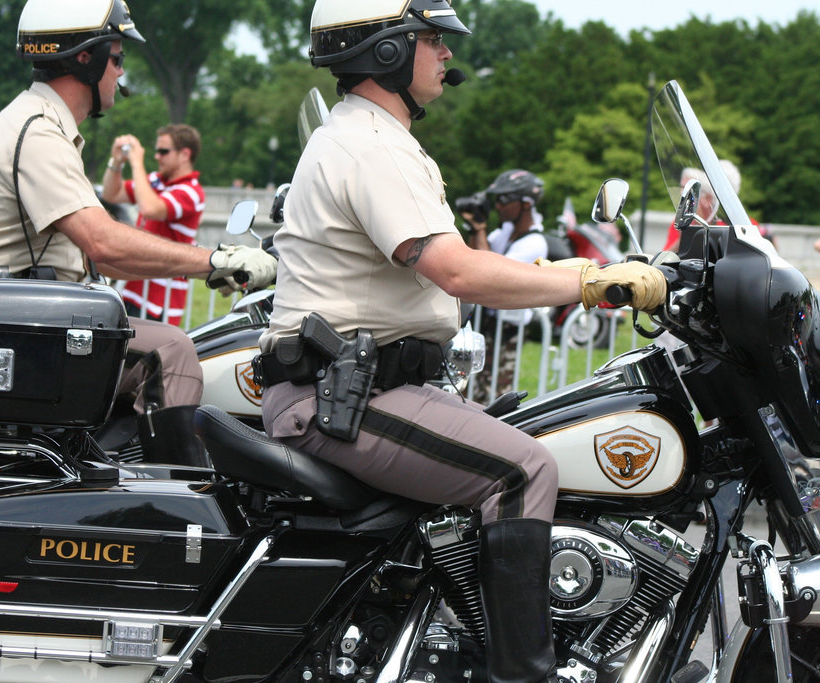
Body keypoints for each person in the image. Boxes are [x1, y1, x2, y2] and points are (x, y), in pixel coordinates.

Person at [254, 1, 666, 681]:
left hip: (362, 390)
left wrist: (598, 272)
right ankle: (523, 672)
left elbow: (474, 264)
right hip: (342, 399)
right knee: (524, 467)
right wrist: (591, 281)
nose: (446, 53)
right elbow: (456, 268)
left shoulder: (370, 138)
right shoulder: (370, 145)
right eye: (431, 40)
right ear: (386, 51)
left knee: (530, 430)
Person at [0, 0, 277, 465]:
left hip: (3, 312)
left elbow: (101, 255)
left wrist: (208, 264)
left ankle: (104, 467)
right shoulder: (39, 132)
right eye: (117, 59)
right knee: (170, 351)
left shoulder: (40, 124)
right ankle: (179, 508)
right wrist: (216, 260)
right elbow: (102, 240)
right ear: (83, 59)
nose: (121, 74)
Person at [102, 124, 205, 326]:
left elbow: (151, 208)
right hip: (134, 290)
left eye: (163, 151)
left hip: (160, 302)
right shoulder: (155, 181)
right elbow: (111, 194)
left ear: (185, 154)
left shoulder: (192, 191)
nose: (157, 156)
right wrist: (116, 162)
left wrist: (136, 162)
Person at [463, 169, 548, 400]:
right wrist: (474, 229)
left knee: (492, 392)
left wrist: (481, 230)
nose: (498, 206)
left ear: (526, 204)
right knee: (469, 386)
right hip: (488, 323)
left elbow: (491, 274)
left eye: (503, 200)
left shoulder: (534, 243)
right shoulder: (505, 233)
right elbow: (474, 259)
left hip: (507, 329)